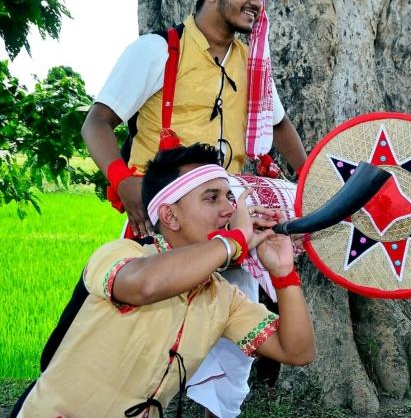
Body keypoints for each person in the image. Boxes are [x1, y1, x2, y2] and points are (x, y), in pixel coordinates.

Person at [77, 0, 307, 417]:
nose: (255, 2)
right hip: (168, 217)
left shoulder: (251, 62)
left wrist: (311, 178)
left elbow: (279, 123)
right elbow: (95, 122)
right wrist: (123, 182)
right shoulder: (156, 51)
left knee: (225, 318)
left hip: (227, 210)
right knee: (142, 331)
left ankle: (209, 406)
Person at [14, 143, 315, 418]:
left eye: (230, 198)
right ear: (170, 217)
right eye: (212, 198)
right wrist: (234, 240)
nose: (230, 210)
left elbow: (297, 351)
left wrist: (282, 271)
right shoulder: (123, 254)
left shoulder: (222, 297)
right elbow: (145, 285)